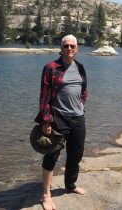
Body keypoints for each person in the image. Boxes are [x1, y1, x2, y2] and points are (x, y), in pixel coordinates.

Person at [35, 34, 87, 210]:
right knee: (51, 154)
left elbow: (84, 89)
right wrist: (46, 120)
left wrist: (82, 104)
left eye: (73, 46)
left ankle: (70, 185)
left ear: (77, 48)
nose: (70, 49)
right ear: (61, 48)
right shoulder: (51, 68)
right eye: (66, 46)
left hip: (78, 118)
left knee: (76, 154)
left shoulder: (80, 67)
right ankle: (46, 194)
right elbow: (44, 96)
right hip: (58, 118)